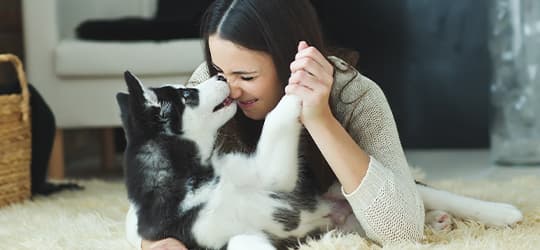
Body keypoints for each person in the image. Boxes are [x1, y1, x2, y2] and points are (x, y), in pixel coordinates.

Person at [129, 0, 424, 249]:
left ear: (289, 62)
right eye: (219, 70)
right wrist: (155, 243)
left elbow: (403, 232)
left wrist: (319, 118)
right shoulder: (209, 89)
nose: (228, 89)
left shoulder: (355, 95)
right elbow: (149, 200)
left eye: (246, 77)